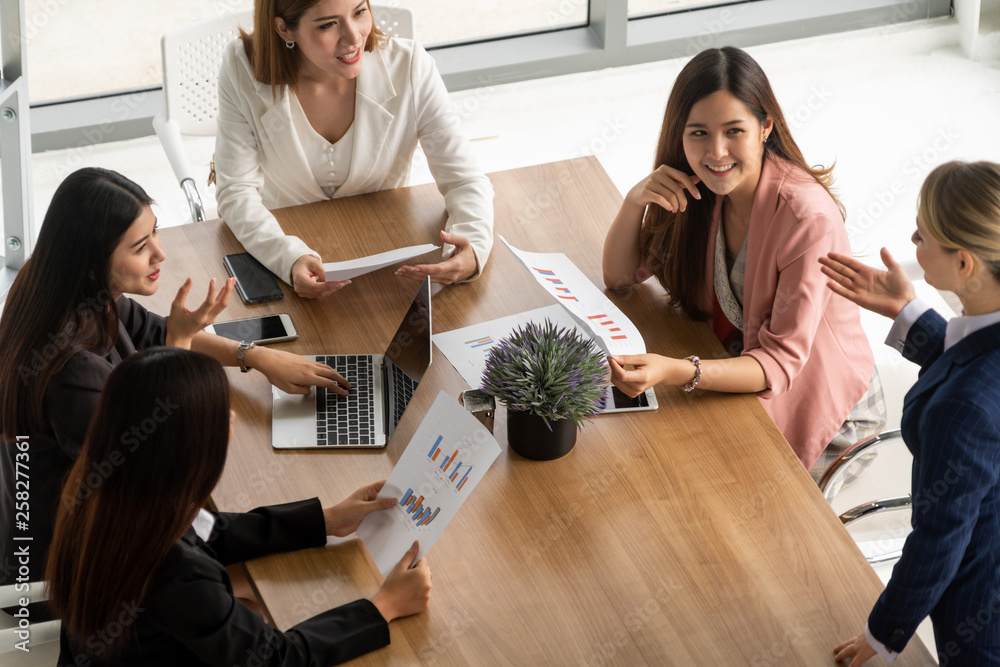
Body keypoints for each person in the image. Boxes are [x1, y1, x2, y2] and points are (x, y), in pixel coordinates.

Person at [0, 167, 352, 586]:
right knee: (266, 588)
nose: (160, 254)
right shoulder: (73, 373)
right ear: (92, 263)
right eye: (140, 246)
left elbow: (159, 334)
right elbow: (158, 477)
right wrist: (184, 355)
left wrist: (255, 356)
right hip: (70, 574)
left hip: (101, 519)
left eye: (155, 233)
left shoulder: (68, 287)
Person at [47, 347, 431, 665]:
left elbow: (212, 531)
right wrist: (383, 606)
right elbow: (276, 659)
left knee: (254, 603)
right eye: (220, 411)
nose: (231, 416)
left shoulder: (111, 492)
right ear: (190, 450)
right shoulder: (176, 573)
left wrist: (325, 520)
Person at [602, 46, 885, 476]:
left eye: (734, 131)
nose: (716, 152)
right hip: (729, 362)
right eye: (698, 133)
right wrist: (633, 201)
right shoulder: (697, 191)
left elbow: (778, 364)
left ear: (765, 125)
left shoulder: (807, 219)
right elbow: (620, 275)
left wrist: (676, 370)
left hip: (825, 408)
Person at [825, 161, 1000, 665]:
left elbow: (940, 538)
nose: (912, 239)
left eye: (923, 233)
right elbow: (974, 356)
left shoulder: (964, 407)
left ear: (964, 264)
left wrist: (884, 635)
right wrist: (907, 311)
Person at [215, 0, 494, 298]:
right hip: (285, 259)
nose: (354, 37)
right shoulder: (241, 65)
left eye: (359, 12)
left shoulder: (411, 66)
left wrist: (472, 247)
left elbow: (463, 179)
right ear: (285, 29)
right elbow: (236, 191)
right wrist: (288, 258)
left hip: (388, 262)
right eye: (328, 25)